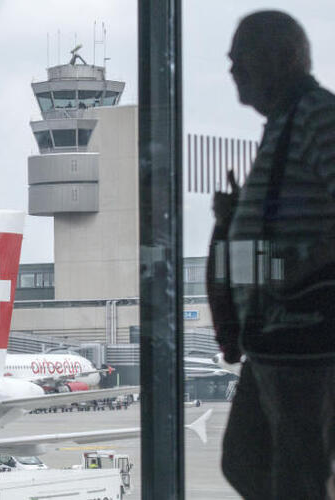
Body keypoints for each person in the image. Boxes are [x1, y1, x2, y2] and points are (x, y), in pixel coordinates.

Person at [217, 11, 335, 499]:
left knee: (290, 475)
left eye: (241, 58)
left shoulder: (317, 117)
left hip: (304, 342)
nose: (232, 70)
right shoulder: (287, 125)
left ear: (281, 58)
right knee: (248, 461)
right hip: (276, 340)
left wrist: (297, 270)